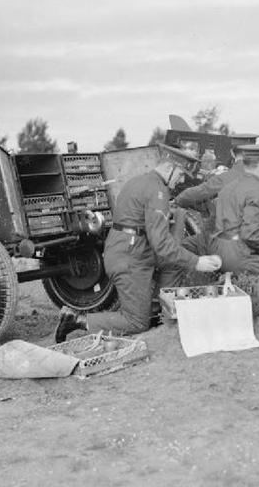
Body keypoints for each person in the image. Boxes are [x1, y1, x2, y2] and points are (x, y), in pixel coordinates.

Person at [53, 144, 222, 341]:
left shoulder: (141, 181)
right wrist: (197, 262)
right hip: (130, 260)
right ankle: (78, 320)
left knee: (172, 264)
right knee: (137, 322)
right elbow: (163, 246)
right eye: (181, 174)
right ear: (169, 168)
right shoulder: (157, 191)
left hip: (129, 251)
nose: (181, 180)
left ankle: (158, 307)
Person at [210, 144, 259, 275]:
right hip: (240, 254)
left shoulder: (230, 186)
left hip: (219, 249)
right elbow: (250, 234)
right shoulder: (257, 191)